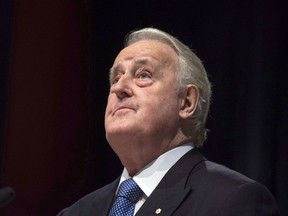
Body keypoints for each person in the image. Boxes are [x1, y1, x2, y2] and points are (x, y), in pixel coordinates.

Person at [57, 27, 280, 216]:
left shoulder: (235, 201)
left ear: (186, 102)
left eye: (143, 75)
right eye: (116, 78)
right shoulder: (77, 212)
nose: (118, 88)